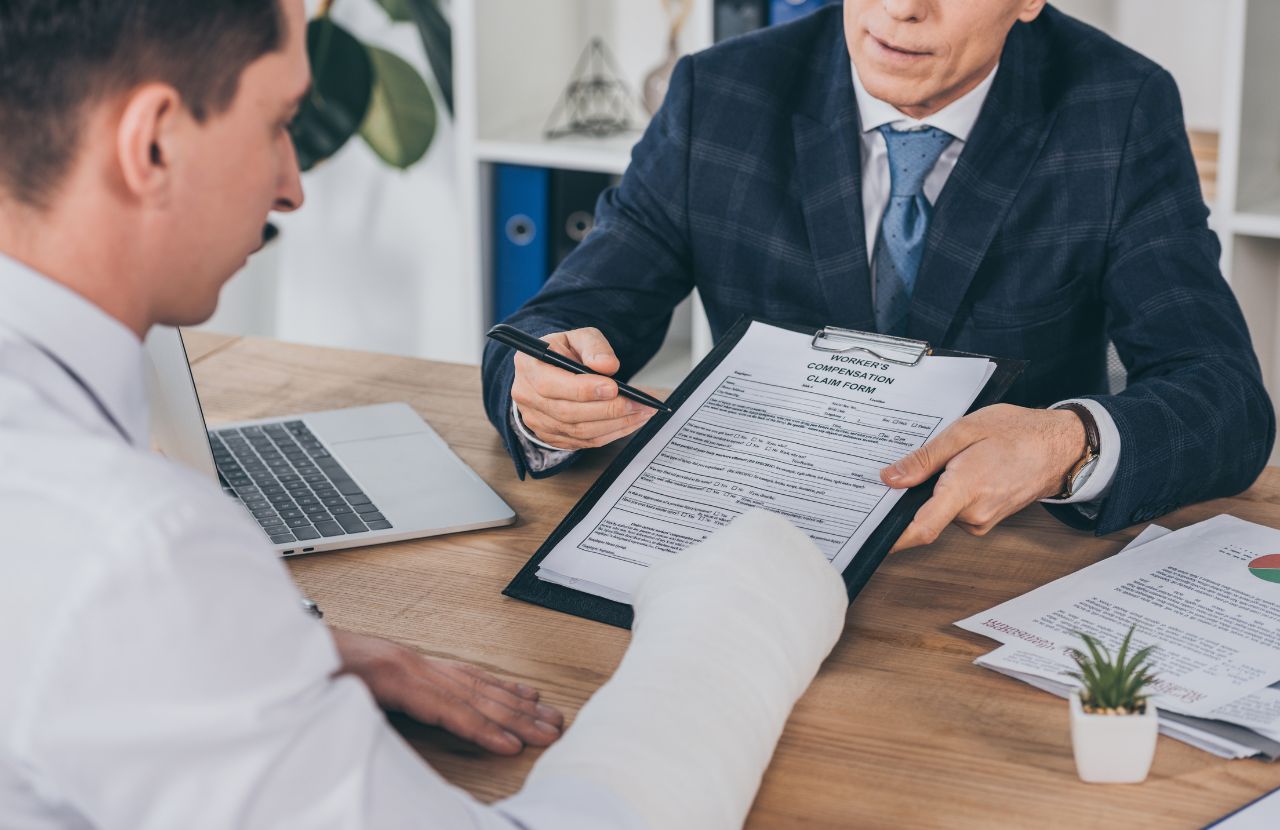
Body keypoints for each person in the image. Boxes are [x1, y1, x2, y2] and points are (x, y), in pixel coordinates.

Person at [0, 1, 847, 827]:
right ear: (151, 143)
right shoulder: (136, 554)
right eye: (278, 120)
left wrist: (265, 658)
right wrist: (743, 608)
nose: (293, 186)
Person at [482, 0, 1276, 550]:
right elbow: (557, 319)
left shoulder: (1118, 105)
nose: (902, 9)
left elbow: (1228, 400)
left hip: (989, 559)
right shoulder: (719, 93)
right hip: (750, 537)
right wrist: (546, 391)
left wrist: (1067, 440)